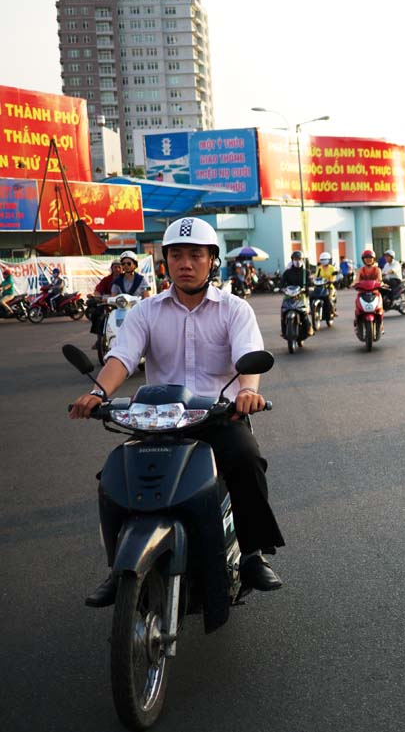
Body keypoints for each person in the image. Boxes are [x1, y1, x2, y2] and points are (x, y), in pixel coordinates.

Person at [69, 216, 285, 607]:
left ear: (211, 262)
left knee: (246, 458)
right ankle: (119, 569)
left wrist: (248, 393)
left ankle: (253, 554)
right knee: (115, 478)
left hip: (216, 416)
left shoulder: (234, 310)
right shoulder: (146, 311)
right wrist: (97, 392)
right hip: (157, 421)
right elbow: (121, 357)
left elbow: (247, 361)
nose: (186, 263)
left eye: (195, 255)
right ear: (165, 261)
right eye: (177, 255)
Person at [281, 251, 314, 337]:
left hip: (301, 296)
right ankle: (283, 330)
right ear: (292, 260)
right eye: (295, 259)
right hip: (289, 296)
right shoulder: (288, 272)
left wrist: (308, 288)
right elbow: (282, 282)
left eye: (299, 259)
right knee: (283, 311)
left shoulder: (306, 272)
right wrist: (281, 288)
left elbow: (310, 283)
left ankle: (309, 328)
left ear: (303, 260)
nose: (297, 261)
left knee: (304, 313)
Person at [89, 260, 122, 343]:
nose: (117, 269)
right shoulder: (106, 279)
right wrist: (96, 295)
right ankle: (99, 339)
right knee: (97, 314)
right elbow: (98, 290)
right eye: (115, 267)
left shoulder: (125, 279)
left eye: (119, 267)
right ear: (112, 268)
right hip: (109, 302)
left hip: (122, 304)